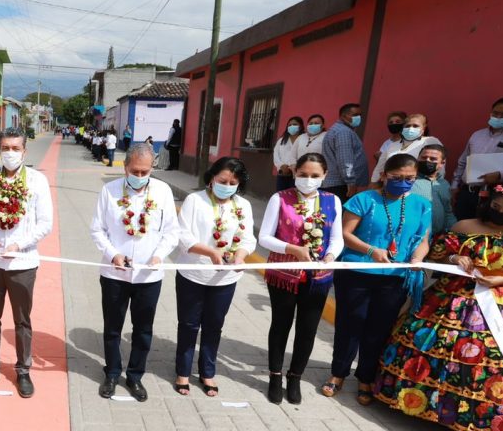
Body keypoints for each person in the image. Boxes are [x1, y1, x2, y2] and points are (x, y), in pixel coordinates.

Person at [374, 182, 503, 431]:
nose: (502, 212)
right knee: (442, 349)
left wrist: (502, 279)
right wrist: (455, 259)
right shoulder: (464, 227)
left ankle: (488, 417)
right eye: (497, 206)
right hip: (454, 296)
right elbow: (438, 257)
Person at [323, 153, 432, 405]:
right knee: (350, 325)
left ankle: (366, 377)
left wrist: (417, 259)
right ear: (383, 175)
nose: (403, 182)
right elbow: (344, 234)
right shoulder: (364, 199)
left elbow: (423, 241)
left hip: (394, 278)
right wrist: (371, 250)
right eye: (397, 177)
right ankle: (338, 373)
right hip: (356, 274)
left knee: (378, 330)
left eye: (410, 178)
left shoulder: (421, 205)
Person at [90, 143, 180, 402]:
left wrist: (158, 255)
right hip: (114, 274)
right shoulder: (110, 191)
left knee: (143, 329)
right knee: (113, 327)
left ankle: (135, 375)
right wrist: (113, 254)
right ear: (125, 166)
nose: (140, 177)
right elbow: (97, 230)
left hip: (148, 277)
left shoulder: (162, 191)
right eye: (135, 171)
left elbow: (172, 232)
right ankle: (112, 373)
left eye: (145, 171)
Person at [0, 127, 54, 398]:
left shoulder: (37, 182)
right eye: (5, 148)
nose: (10, 153)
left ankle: (23, 370)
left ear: (24, 151)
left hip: (23, 264)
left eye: (15, 148)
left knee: (22, 320)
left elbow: (45, 223)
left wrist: (19, 245)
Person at [259, 153, 344, 404]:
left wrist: (330, 255)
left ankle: (294, 377)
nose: (308, 180)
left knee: (307, 330)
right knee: (280, 325)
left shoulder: (332, 201)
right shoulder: (280, 198)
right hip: (284, 273)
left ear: (324, 176)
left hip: (318, 276)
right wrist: (292, 249)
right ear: (295, 173)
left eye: (314, 176)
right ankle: (275, 376)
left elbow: (337, 238)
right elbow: (264, 237)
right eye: (303, 175)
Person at [172, 157, 256, 397]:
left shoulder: (243, 206)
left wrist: (240, 256)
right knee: (188, 325)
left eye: (233, 183)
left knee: (213, 326)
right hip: (193, 274)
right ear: (211, 178)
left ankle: (207, 372)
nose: (227, 186)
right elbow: (183, 237)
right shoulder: (194, 201)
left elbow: (248, 238)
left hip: (225, 279)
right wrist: (210, 252)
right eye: (223, 180)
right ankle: (183, 372)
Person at [371, 113, 442, 186]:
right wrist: (373, 184)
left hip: (418, 185)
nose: (411, 128)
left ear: (423, 129)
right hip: (390, 185)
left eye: (415, 126)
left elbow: (440, 165)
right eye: (408, 126)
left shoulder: (430, 141)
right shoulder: (393, 145)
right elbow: (379, 168)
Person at [321, 103, 368, 201]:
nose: (358, 118)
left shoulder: (338, 129)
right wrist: (350, 182)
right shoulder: (343, 132)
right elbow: (345, 160)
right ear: (343, 116)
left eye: (360, 115)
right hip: (340, 185)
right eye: (354, 115)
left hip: (335, 183)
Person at [412, 144, 456, 235]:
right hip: (415, 237)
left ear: (442, 163)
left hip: (438, 239)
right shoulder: (409, 182)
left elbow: (448, 212)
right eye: (424, 157)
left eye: (433, 159)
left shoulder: (444, 184)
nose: (427, 160)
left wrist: (453, 232)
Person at [273, 116, 304, 192]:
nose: (292, 126)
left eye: (295, 124)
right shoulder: (282, 140)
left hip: (297, 174)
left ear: (301, 126)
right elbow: (276, 155)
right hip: (283, 173)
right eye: (290, 125)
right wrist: (282, 166)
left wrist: (293, 167)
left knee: (295, 196)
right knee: (281, 195)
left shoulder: (304, 139)